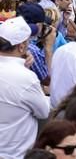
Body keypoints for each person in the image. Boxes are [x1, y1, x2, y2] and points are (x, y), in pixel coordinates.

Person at [0, 16, 50, 159]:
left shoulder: (23, 75)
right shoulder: (26, 78)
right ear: (21, 46)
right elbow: (43, 112)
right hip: (14, 154)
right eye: (27, 42)